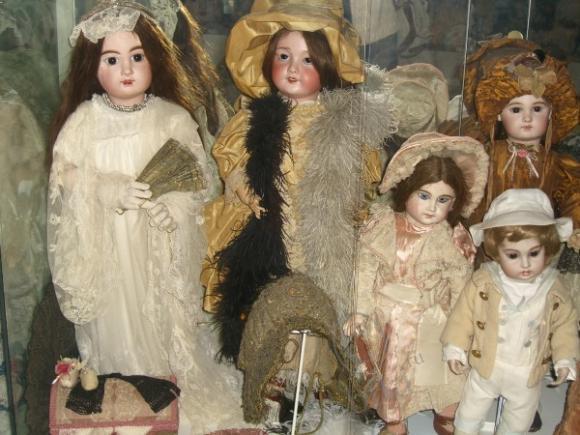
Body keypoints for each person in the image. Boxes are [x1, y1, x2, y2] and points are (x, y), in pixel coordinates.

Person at [47, 1, 248, 432]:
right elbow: (64, 174)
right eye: (111, 59)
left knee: (158, 314)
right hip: (109, 244)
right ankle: (118, 380)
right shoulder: (85, 121)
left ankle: (162, 381)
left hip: (155, 246)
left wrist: (170, 210)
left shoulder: (172, 119)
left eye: (136, 56)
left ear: (154, 59)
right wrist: (106, 188)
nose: (126, 69)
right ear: (93, 67)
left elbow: (195, 185)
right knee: (116, 315)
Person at [345, 132, 489, 435]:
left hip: (431, 312)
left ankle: (447, 409)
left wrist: (461, 323)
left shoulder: (452, 237)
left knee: (442, 366)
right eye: (424, 196)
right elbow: (366, 270)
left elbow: (460, 281)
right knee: (392, 363)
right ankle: (395, 419)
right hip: (387, 311)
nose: (432, 208)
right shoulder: (383, 225)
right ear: (406, 190)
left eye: (443, 200)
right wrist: (360, 310)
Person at [441, 188, 578, 435]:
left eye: (534, 253)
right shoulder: (484, 281)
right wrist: (455, 346)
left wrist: (564, 358)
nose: (525, 263)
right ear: (496, 251)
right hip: (487, 367)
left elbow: (564, 326)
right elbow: (463, 315)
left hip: (526, 374)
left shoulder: (554, 289)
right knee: (470, 411)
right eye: (513, 255)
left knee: (518, 420)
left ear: (547, 248)